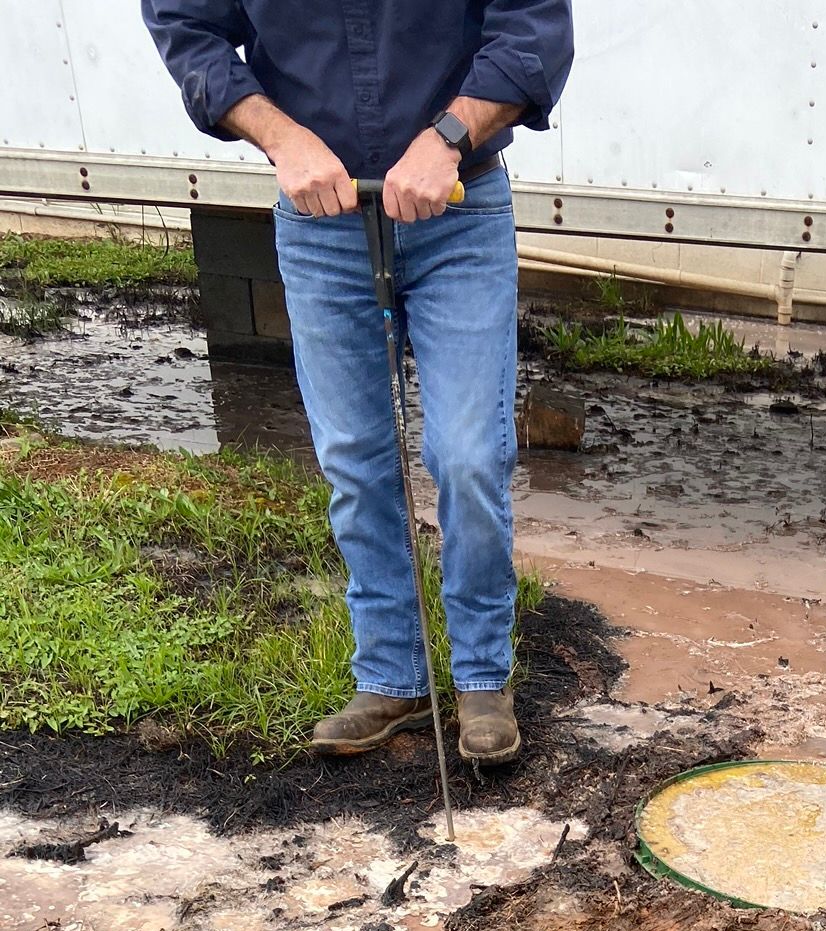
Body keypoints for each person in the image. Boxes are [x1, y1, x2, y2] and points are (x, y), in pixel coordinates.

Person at [141, 0, 575, 764]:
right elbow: (187, 26)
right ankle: (392, 677)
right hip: (320, 224)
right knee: (355, 460)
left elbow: (532, 30)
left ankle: (480, 678)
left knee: (470, 454)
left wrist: (446, 139)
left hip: (459, 209)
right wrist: (285, 138)